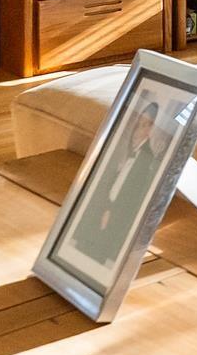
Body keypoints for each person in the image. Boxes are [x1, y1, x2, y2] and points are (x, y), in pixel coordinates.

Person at [70, 98, 172, 265]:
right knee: (82, 248)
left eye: (146, 125)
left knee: (95, 255)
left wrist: (110, 211)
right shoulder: (130, 151)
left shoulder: (146, 159)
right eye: (139, 124)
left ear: (152, 129)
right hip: (105, 206)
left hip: (115, 215)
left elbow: (131, 196)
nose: (139, 130)